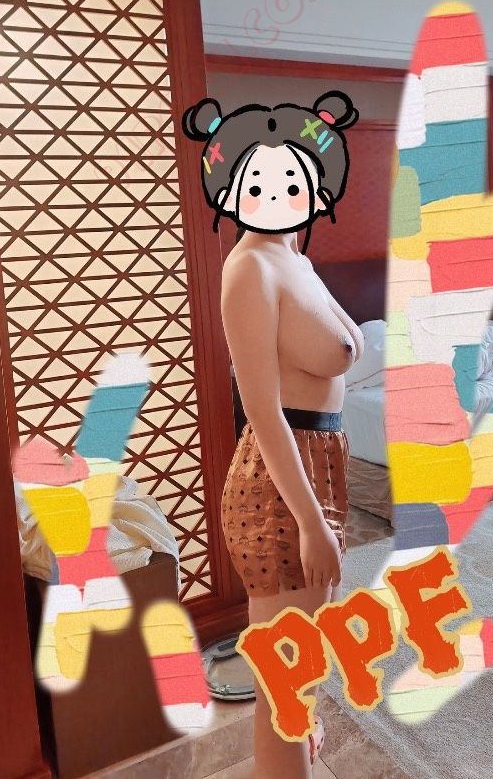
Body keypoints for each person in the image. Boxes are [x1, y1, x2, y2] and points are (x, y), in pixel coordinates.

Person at [182, 92, 364, 777]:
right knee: (285, 677)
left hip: (320, 460)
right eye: (258, 183)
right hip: (278, 480)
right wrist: (312, 522)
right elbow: (260, 410)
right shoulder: (248, 269)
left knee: (300, 669)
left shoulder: (297, 261)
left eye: (292, 179)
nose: (278, 196)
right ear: (231, 192)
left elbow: (345, 346)